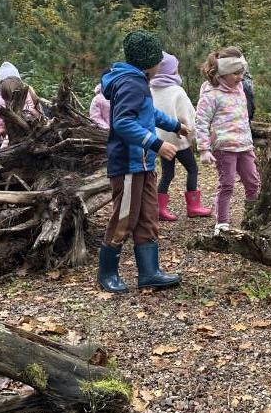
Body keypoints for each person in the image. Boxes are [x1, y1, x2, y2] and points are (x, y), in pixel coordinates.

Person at [97, 29, 190, 293]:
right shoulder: (131, 83)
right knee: (125, 217)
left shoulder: (138, 81)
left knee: (148, 215)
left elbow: (149, 113)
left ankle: (149, 272)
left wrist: (175, 125)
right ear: (149, 61)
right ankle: (107, 273)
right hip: (129, 164)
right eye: (158, 59)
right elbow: (123, 122)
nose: (160, 64)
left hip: (144, 164)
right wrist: (157, 144)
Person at [195, 46, 260, 235]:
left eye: (242, 72)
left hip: (244, 145)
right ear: (223, 73)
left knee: (253, 182)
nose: (240, 77)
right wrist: (204, 149)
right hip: (224, 148)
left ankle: (253, 218)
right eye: (235, 73)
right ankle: (222, 223)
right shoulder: (211, 95)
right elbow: (201, 121)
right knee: (227, 185)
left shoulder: (240, 88)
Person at [150, 52, 211, 221]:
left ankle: (159, 209)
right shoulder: (177, 91)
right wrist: (194, 137)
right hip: (178, 139)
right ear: (171, 70)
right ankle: (194, 207)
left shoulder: (151, 89)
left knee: (167, 174)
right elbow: (188, 117)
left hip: (161, 142)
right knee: (192, 169)